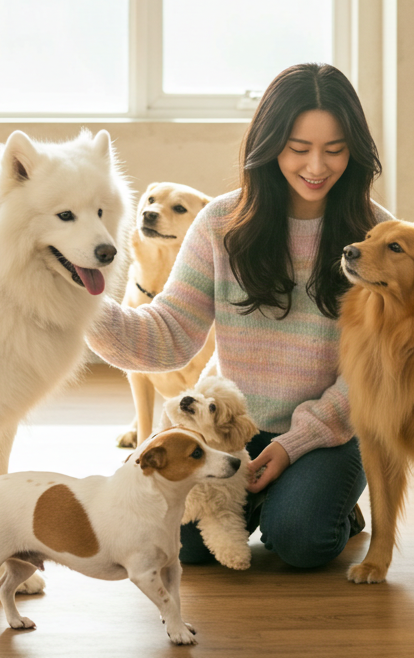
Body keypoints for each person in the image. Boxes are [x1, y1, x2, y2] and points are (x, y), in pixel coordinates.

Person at [86, 62, 389, 568]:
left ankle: (318, 503)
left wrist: (296, 444)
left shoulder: (377, 237)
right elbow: (168, 335)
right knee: (183, 546)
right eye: (298, 149)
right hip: (228, 427)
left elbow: (373, 374)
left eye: (334, 150)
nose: (317, 166)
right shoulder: (220, 223)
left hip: (330, 430)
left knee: (300, 540)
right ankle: (275, 499)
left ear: (354, 151)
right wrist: (83, 309)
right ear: (269, 145)